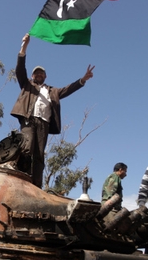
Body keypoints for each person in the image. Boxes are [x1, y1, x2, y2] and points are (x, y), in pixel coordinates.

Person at [10, 34, 95, 188]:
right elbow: (20, 69)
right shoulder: (27, 85)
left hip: (44, 124)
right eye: (36, 73)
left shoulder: (53, 91)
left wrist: (83, 79)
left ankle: (36, 186)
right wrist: (24, 47)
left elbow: (68, 89)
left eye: (41, 73)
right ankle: (20, 179)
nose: (39, 75)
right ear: (32, 76)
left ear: (45, 76)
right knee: (26, 147)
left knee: (39, 156)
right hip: (29, 120)